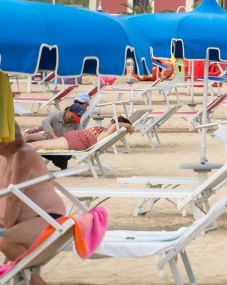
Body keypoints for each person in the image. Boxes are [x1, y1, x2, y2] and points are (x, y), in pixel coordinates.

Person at [0, 124, 67, 284]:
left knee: (6, 240)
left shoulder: (23, 154)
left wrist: (5, 230)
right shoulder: (4, 156)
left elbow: (14, 198)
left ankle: (35, 281)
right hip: (24, 220)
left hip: (48, 218)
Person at [28, 116, 132, 152]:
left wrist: (129, 126)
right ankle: (18, 147)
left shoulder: (106, 135)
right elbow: (114, 126)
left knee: (37, 145)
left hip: (72, 142)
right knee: (38, 143)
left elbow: (115, 126)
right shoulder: (105, 131)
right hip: (71, 138)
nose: (111, 123)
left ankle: (16, 149)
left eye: (113, 121)